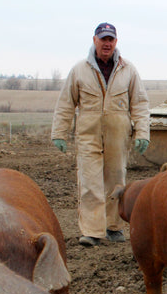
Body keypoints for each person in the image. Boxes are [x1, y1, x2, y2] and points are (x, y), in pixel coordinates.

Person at [51, 22, 150, 247]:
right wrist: (60, 132)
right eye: (103, 39)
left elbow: (140, 104)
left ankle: (113, 227)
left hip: (118, 135)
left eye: (110, 40)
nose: (107, 44)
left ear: (116, 42)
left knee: (116, 180)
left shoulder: (128, 70)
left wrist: (142, 132)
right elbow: (66, 103)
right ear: (94, 40)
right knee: (90, 182)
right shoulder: (80, 70)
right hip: (88, 135)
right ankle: (92, 231)